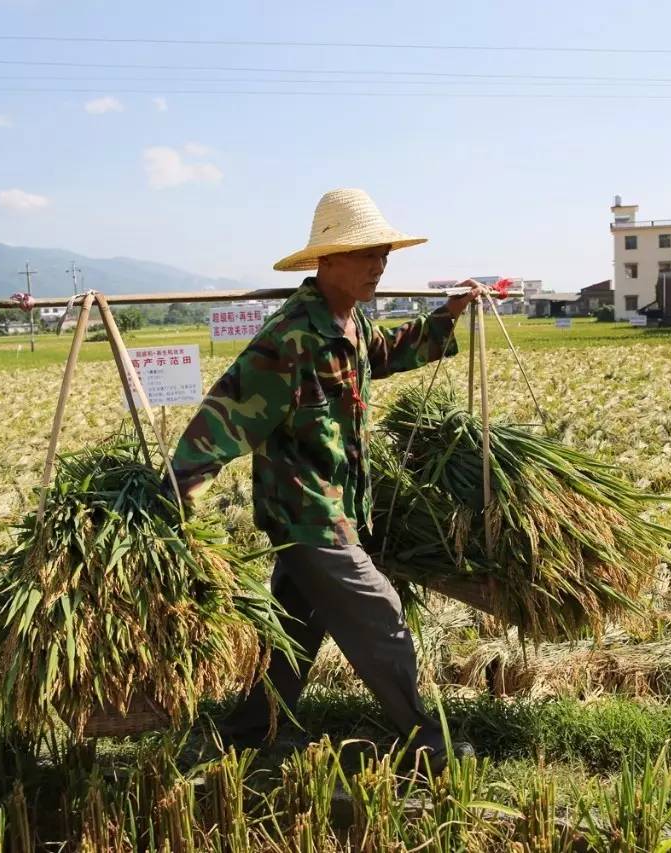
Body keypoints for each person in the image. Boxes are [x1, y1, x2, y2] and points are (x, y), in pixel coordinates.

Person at [171, 188, 485, 771]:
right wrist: (177, 491)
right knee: (380, 615)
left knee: (295, 624)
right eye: (366, 254)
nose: (379, 265)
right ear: (327, 259)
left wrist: (448, 316)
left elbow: (382, 355)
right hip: (309, 511)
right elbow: (228, 413)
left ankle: (249, 728)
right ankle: (426, 740)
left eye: (383, 254)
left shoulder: (349, 321)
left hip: (335, 504)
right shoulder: (291, 338)